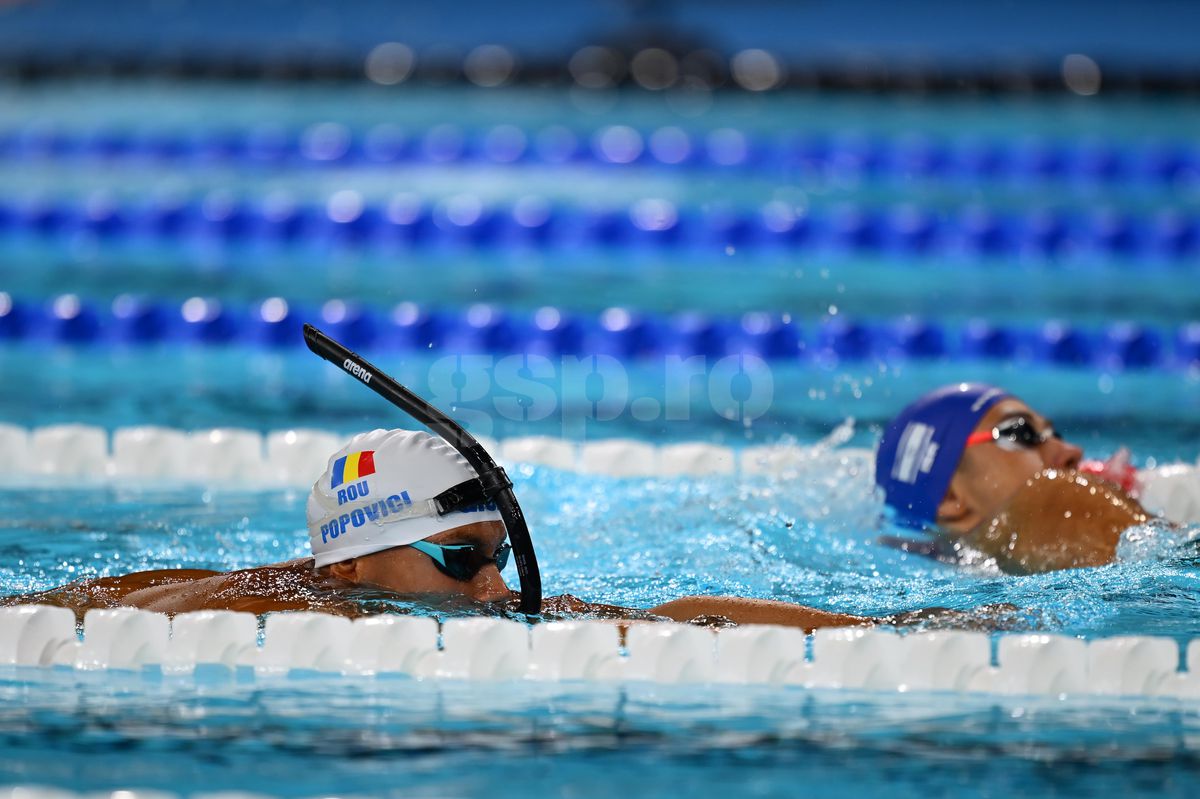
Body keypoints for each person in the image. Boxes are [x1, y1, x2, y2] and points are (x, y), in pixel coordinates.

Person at [8, 427, 911, 632]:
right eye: (460, 559)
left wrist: (879, 631)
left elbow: (668, 617)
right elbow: (121, 606)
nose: (493, 584)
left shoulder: (377, 583)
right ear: (355, 563)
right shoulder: (302, 608)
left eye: (499, 557)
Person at [875, 383, 1152, 574]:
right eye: (1021, 433)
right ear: (950, 497)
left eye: (1055, 434)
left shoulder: (1062, 494)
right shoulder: (1058, 493)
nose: (1071, 451)